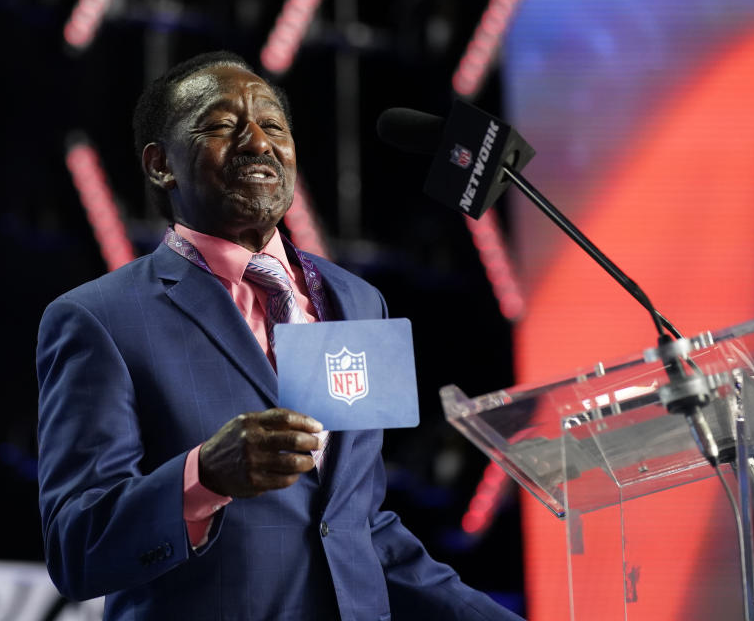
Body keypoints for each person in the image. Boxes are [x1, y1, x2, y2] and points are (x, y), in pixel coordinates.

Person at [36, 50, 524, 621]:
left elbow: (356, 525)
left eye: (273, 126)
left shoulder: (358, 303)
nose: (258, 142)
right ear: (160, 165)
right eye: (222, 125)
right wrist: (204, 476)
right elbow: (77, 549)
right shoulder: (100, 318)